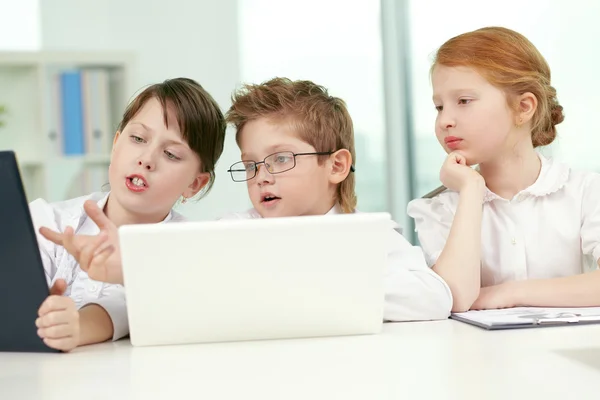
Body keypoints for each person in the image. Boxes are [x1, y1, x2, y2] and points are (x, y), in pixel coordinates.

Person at [221, 77, 452, 321]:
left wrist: (303, 285)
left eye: (280, 159)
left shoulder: (369, 235)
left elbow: (433, 298)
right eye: (250, 165)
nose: (261, 177)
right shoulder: (233, 231)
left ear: (336, 166)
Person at [407, 26, 600, 312]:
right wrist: (472, 190)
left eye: (463, 101)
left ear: (524, 107)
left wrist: (509, 294)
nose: (445, 120)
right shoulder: (439, 209)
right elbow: (457, 298)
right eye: (439, 107)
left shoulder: (585, 192)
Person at [35, 77, 226, 351]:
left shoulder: (194, 249)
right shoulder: (47, 221)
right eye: (137, 138)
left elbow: (132, 306)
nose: (146, 159)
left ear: (194, 184)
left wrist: (78, 325)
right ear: (116, 143)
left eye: (171, 154)